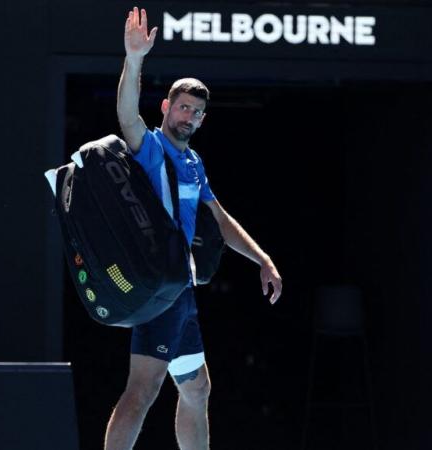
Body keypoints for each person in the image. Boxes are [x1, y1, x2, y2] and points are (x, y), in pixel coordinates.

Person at [104, 7, 283, 450]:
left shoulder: (193, 162)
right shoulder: (150, 149)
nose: (189, 116)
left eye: (197, 112)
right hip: (160, 289)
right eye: (183, 107)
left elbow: (219, 219)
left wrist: (262, 259)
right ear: (167, 107)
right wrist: (134, 57)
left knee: (196, 387)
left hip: (182, 291)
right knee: (142, 391)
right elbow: (127, 113)